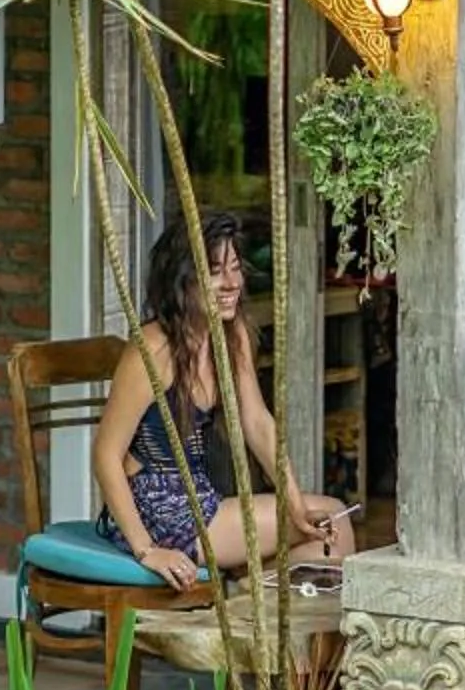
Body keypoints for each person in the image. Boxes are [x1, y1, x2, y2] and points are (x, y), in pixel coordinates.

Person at [93, 213, 354, 592]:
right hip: (154, 510)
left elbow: (258, 423)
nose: (232, 283)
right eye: (216, 271)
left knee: (326, 528)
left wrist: (296, 507)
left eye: (235, 269)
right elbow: (104, 455)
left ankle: (255, 606)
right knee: (337, 523)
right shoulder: (152, 349)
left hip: (201, 498)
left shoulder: (231, 337)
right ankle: (257, 614)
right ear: (183, 279)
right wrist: (146, 550)